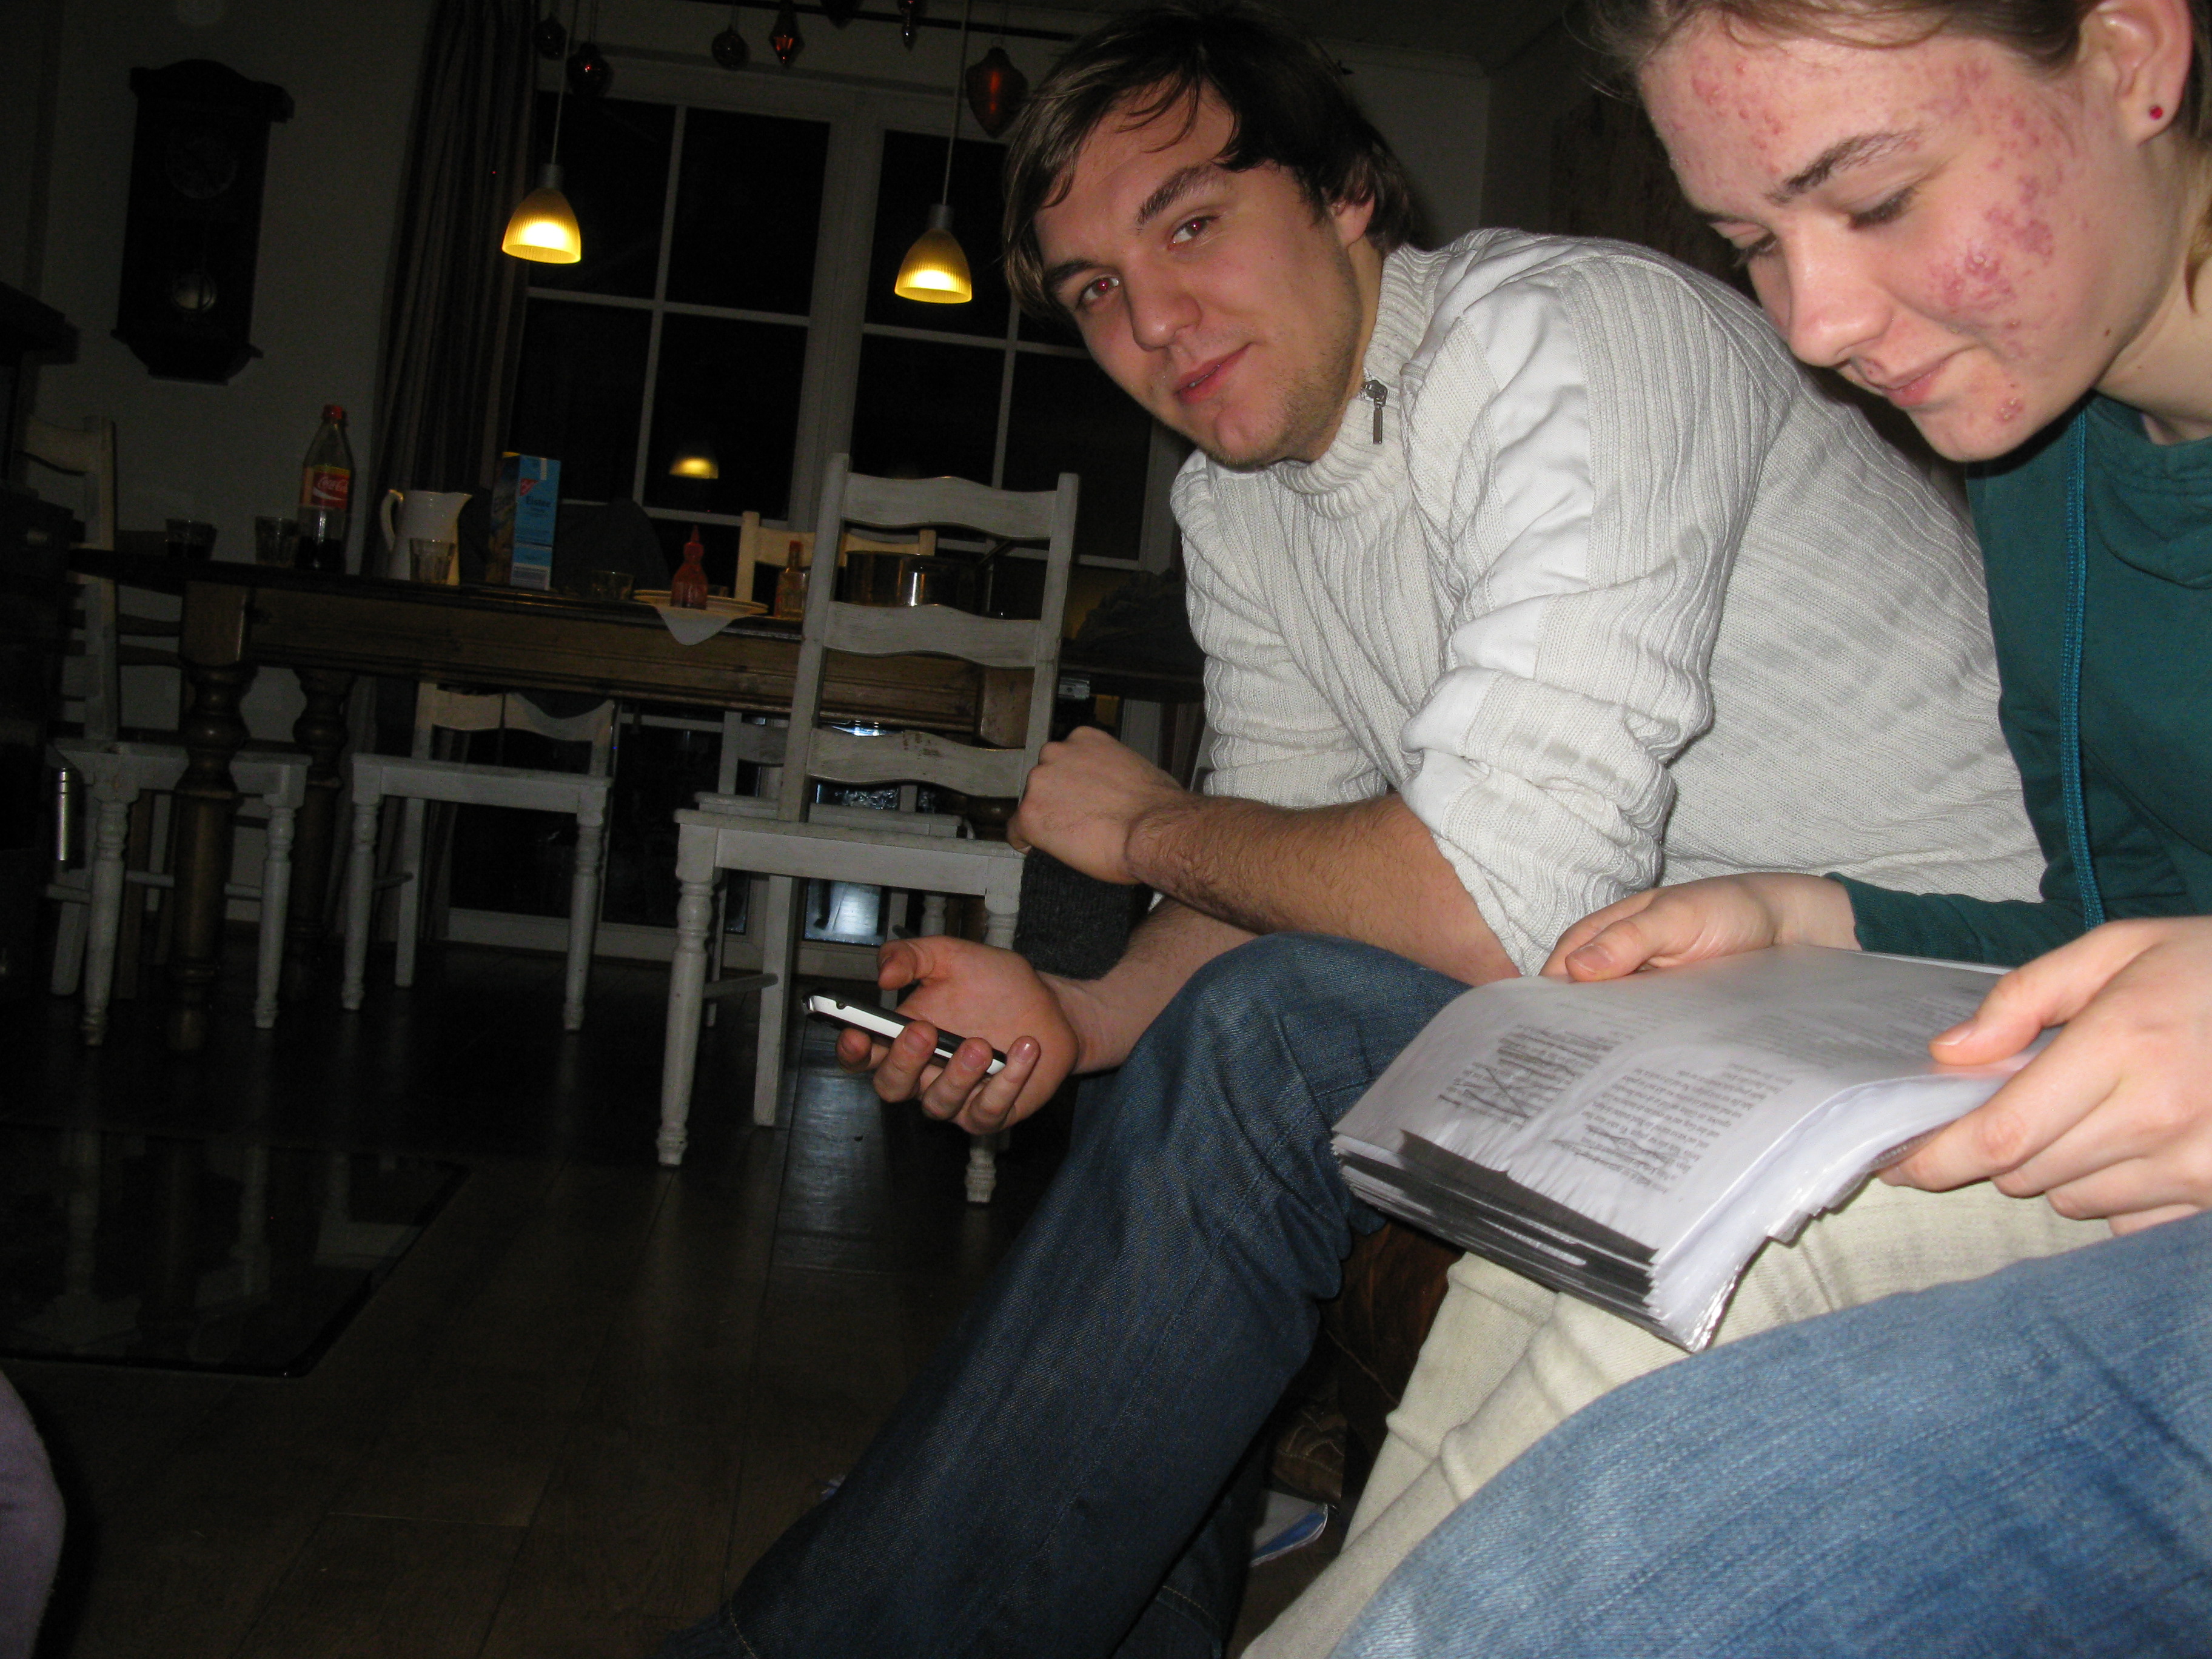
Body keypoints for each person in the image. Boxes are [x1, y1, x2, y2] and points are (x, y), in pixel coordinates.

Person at [654, 5, 2077, 1656]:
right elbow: (1281, 867)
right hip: (1675, 988)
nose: (1153, 321)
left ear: (1345, 192)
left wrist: (1157, 830)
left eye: (1192, 224)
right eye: (1098, 289)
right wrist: (1087, 1015)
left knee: (1273, 1026)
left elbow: (1479, 902)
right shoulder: (1239, 502)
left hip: (1955, 991)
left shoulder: (1572, 341)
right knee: (1221, 1004)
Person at [1314, 0, 2212, 1647]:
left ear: (2136, 57)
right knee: (1573, 1242)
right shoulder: (2044, 446)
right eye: (1753, 242)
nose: (1815, 324)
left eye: (1876, 198)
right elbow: (2135, 945)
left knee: (1725, 1305)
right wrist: (1814, 915)